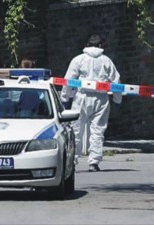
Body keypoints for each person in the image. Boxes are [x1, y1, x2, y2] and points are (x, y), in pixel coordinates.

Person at [60, 34, 122, 172]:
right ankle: (94, 162)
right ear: (100, 46)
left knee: (76, 130)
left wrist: (66, 97)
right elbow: (116, 81)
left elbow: (68, 79)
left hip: (82, 96)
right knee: (98, 130)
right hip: (101, 98)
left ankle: (72, 160)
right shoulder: (106, 61)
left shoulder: (78, 59)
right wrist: (117, 99)